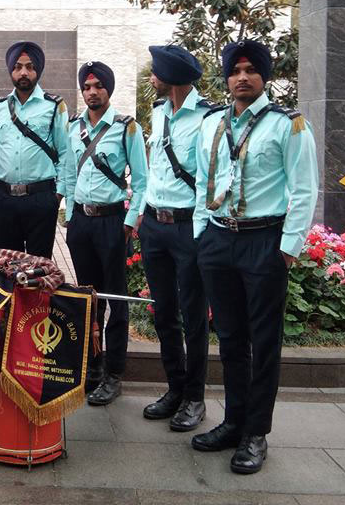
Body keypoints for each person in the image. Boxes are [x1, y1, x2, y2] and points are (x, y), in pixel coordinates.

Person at [192, 39, 318, 474]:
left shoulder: (288, 125)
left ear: (264, 76)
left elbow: (303, 189)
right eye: (235, 70)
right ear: (226, 78)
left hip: (264, 242)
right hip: (219, 239)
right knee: (228, 339)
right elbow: (201, 183)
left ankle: (255, 432)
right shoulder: (211, 123)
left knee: (263, 342)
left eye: (250, 70)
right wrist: (200, 234)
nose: (242, 77)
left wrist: (287, 250)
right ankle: (232, 421)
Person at [62, 61, 146, 406]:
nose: (92, 91)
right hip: (82, 223)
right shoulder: (73, 128)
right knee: (88, 298)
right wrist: (70, 217)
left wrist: (130, 223)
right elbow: (68, 174)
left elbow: (141, 180)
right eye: (87, 86)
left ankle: (114, 373)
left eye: (98, 86)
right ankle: (92, 367)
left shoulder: (127, 128)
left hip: (113, 223)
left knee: (116, 299)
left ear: (108, 90)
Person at [141, 45, 215, 432]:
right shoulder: (158, 113)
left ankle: (195, 397)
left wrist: (201, 232)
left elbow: (207, 178)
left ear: (169, 77)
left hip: (188, 228)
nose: (151, 76)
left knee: (193, 316)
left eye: (155, 71)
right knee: (164, 312)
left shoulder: (207, 118)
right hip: (155, 225)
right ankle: (174, 388)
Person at [0, 41, 68, 257]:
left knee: (38, 268)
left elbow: (65, 152)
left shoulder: (54, 106)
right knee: (6, 268)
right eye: (18, 67)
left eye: (30, 67)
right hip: (3, 199)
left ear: (37, 70)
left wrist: (58, 194)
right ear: (10, 70)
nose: (24, 72)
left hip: (40, 199)